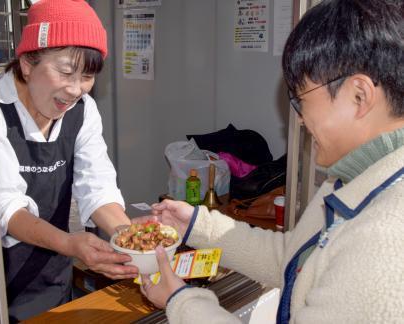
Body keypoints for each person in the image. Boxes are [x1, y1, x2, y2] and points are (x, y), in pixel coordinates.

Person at [139, 0, 404, 323]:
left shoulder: (385, 242)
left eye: (302, 100)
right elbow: (292, 259)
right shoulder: (355, 175)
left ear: (359, 95)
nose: (301, 120)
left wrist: (181, 301)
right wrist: (196, 225)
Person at [0, 0, 139, 322]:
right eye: (66, 72)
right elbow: (6, 208)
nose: (75, 90)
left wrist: (133, 241)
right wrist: (71, 244)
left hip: (52, 274)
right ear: (28, 62)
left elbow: (96, 187)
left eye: (86, 76)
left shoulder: (82, 111)